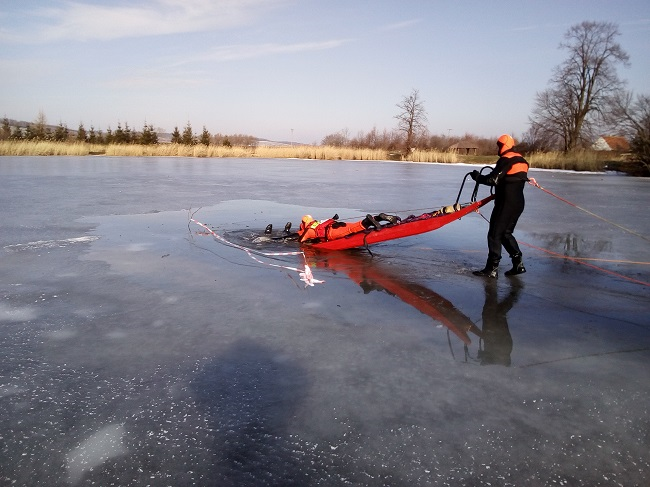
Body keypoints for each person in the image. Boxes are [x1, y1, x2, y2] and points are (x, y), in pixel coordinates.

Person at [470, 134, 528, 278]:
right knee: (506, 233)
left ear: (504, 146)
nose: (498, 148)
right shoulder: (522, 160)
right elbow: (509, 180)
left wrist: (477, 177)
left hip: (505, 203)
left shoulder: (506, 159)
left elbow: (492, 179)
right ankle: (518, 264)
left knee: (495, 234)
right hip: (518, 203)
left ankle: (491, 269)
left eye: (499, 145)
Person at [298, 213, 399, 244]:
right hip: (337, 225)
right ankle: (379, 218)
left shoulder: (307, 230)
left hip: (332, 232)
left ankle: (368, 220)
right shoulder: (316, 222)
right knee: (353, 226)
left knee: (354, 229)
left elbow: (301, 242)